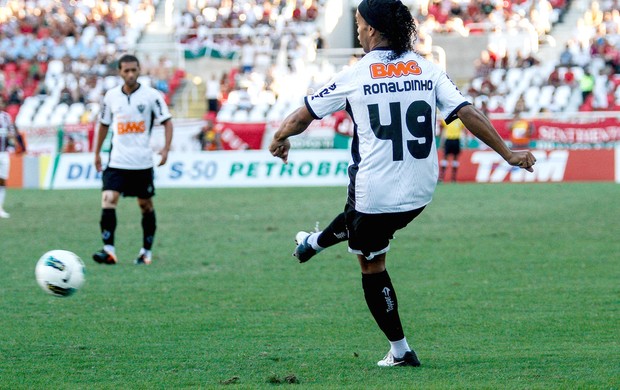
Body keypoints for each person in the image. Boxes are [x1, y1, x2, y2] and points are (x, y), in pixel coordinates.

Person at [269, 0, 536, 368]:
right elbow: (467, 113)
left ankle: (400, 351)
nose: (359, 31)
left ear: (374, 30)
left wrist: (280, 137)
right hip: (421, 191)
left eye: (360, 25)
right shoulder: (428, 69)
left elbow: (303, 115)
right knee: (363, 224)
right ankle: (311, 243)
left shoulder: (356, 74)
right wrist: (507, 154)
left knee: (370, 259)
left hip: (374, 191)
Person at [93, 54, 173, 265]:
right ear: (120, 72)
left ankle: (146, 252)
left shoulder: (151, 96)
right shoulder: (111, 96)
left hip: (142, 162)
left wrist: (165, 149)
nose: (130, 74)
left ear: (139, 71)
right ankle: (109, 250)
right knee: (108, 199)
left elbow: (167, 121)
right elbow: (103, 124)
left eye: (134, 70)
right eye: (126, 71)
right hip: (117, 160)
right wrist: (96, 153)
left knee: (145, 205)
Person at [0, 100, 26, 219]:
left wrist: (15, 143)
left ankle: (0, 207)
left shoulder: (6, 117)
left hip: (4, 153)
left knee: (3, 180)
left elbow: (11, 133)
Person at [439, 118, 465, 182]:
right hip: (449, 139)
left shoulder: (459, 120)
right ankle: (441, 177)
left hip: (456, 140)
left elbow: (462, 129)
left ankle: (453, 178)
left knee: (455, 158)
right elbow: (441, 126)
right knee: (445, 157)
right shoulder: (447, 119)